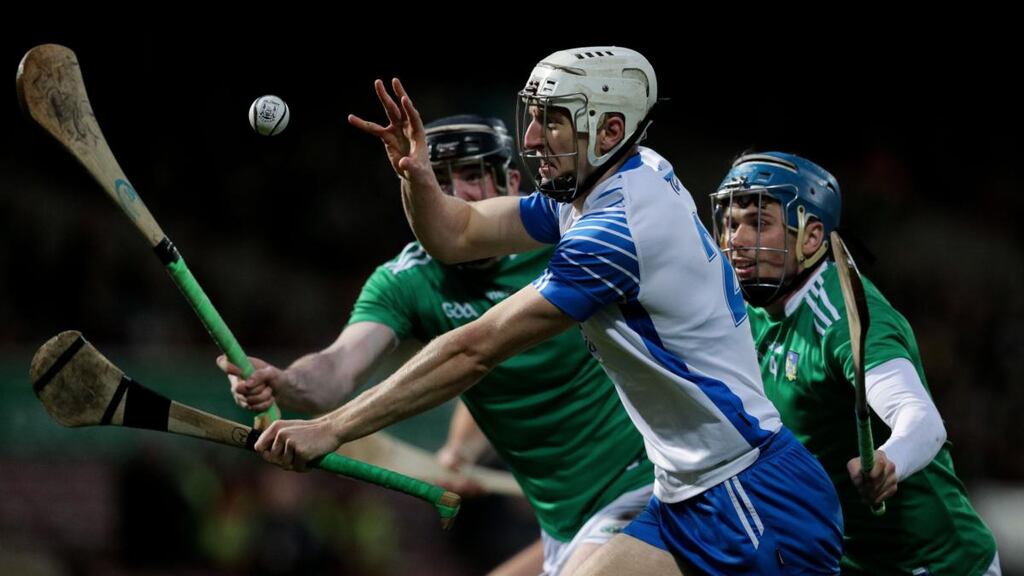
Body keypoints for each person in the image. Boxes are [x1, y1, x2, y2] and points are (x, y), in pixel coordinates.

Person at [254, 47, 843, 574]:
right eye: (533, 114)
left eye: (553, 119)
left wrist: (331, 429)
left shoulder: (615, 235)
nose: (531, 138)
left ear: (610, 129)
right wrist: (418, 177)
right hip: (684, 496)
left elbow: (473, 349)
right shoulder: (614, 181)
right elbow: (457, 232)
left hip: (753, 498)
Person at [220, 114, 654, 576]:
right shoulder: (406, 282)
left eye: (471, 175)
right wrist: (286, 382)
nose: (454, 195)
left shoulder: (570, 237)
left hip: (645, 484)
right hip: (565, 520)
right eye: (436, 180)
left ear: (510, 182)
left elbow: (475, 353)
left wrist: (332, 428)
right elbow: (337, 370)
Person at [710, 151, 1001, 575]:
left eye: (758, 223)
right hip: (837, 560)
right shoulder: (742, 310)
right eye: (732, 223)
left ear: (810, 238)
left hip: (936, 563)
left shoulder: (844, 320)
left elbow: (921, 418)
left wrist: (890, 462)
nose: (736, 239)